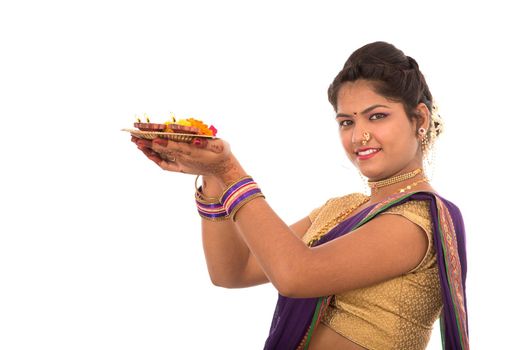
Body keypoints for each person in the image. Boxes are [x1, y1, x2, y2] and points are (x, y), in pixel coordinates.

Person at [131, 41, 469, 350]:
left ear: (419, 118)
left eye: (377, 116)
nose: (360, 136)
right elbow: (233, 271)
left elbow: (296, 275)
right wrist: (211, 177)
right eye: (346, 122)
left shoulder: (416, 222)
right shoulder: (342, 210)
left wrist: (230, 172)